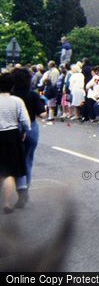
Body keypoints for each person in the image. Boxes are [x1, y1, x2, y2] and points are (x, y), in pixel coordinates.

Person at [10, 67, 45, 208]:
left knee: (10, 161)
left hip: (12, 129)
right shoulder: (33, 95)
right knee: (27, 161)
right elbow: (42, 114)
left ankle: (11, 189)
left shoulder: (11, 95)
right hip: (31, 128)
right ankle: (25, 189)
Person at [0, 72, 31, 213]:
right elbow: (25, 121)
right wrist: (25, 131)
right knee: (9, 172)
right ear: (12, 86)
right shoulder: (17, 101)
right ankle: (7, 203)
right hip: (12, 135)